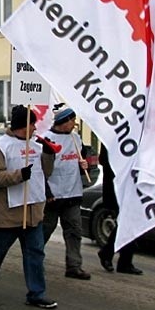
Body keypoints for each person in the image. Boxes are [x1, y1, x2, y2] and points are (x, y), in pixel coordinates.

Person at [0, 105, 57, 309]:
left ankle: (36, 293)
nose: (35, 128)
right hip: (9, 212)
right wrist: (19, 175)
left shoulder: (36, 145)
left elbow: (45, 173)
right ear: (24, 125)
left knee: (35, 252)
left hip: (32, 210)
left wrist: (48, 154)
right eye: (32, 124)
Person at [41, 104, 92, 280]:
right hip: (53, 196)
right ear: (65, 121)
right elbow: (41, 170)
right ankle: (33, 260)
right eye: (72, 120)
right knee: (45, 230)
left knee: (74, 231)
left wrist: (85, 165)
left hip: (73, 193)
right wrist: (46, 193)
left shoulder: (75, 138)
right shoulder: (46, 140)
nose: (74, 123)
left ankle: (74, 265)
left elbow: (84, 160)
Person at [97, 144, 143, 275]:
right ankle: (112, 255)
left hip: (130, 186)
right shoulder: (112, 137)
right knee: (126, 223)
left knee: (129, 223)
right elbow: (104, 160)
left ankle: (119, 258)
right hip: (117, 188)